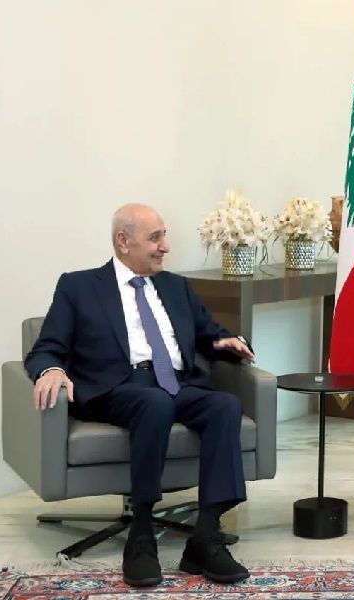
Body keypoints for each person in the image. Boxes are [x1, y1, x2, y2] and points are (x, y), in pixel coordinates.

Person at [25, 204, 256, 587]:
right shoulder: (79, 287)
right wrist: (50, 370)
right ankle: (142, 534)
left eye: (164, 236)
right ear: (123, 241)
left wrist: (226, 341)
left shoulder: (177, 287)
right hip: (117, 388)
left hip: (176, 383)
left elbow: (209, 332)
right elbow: (46, 348)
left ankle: (206, 536)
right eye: (155, 238)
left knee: (225, 405)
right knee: (154, 403)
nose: (165, 246)